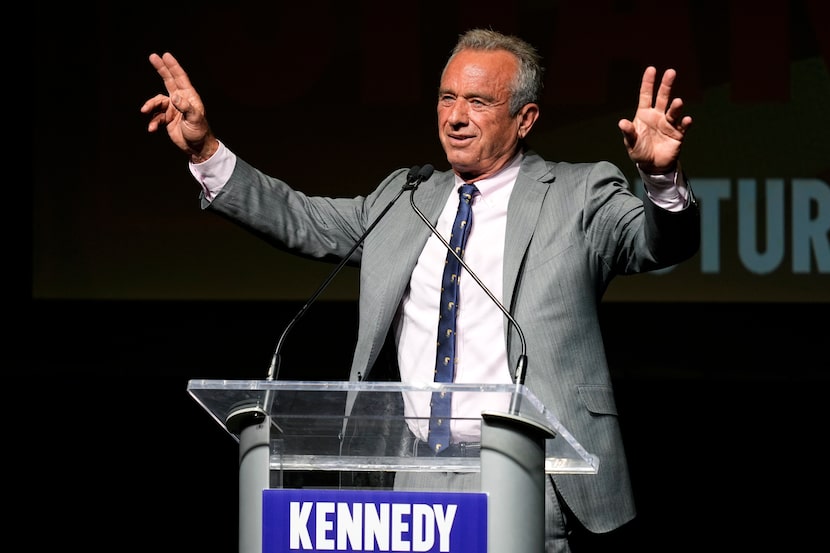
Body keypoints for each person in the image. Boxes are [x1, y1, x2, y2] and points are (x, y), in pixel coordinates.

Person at [142, 28, 699, 552]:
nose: (456, 117)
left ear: (524, 118)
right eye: (446, 97)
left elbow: (655, 243)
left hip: (531, 468)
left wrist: (660, 180)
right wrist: (206, 150)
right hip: (413, 476)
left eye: (478, 102)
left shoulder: (579, 193)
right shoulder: (403, 198)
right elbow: (303, 219)